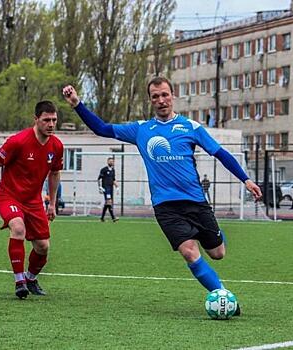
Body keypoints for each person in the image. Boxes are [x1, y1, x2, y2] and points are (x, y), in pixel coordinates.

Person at [62, 77, 262, 315]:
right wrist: (77, 103)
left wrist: (246, 179)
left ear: (172, 95)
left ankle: (210, 235)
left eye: (164, 94)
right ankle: (224, 298)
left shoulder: (191, 127)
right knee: (189, 251)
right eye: (155, 96)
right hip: (166, 207)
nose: (161, 100)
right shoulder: (141, 130)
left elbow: (221, 153)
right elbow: (102, 129)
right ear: (150, 101)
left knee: (218, 253)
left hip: (196, 202)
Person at [0, 101, 63, 299]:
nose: (51, 124)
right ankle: (19, 282)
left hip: (33, 200)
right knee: (18, 228)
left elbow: (55, 174)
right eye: (46, 120)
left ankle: (30, 278)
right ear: (36, 119)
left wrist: (51, 203)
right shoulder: (18, 141)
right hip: (9, 195)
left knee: (43, 247)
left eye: (54, 120)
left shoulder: (57, 145)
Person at [97, 157, 119, 222]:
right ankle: (113, 218)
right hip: (105, 188)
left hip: (111, 188)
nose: (111, 162)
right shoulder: (104, 169)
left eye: (112, 161)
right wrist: (100, 187)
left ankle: (102, 218)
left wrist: (117, 187)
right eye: (110, 161)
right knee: (109, 202)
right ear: (107, 162)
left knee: (108, 203)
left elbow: (113, 180)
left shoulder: (113, 170)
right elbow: (99, 179)